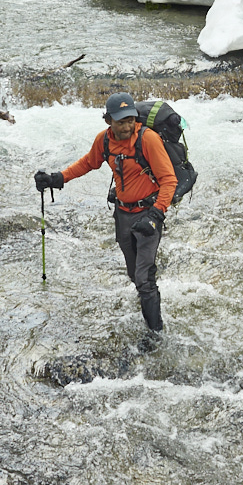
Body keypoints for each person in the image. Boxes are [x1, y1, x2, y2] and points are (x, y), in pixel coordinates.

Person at [34, 92, 176, 332]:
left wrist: (155, 215)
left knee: (144, 279)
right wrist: (58, 178)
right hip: (122, 215)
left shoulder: (148, 139)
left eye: (130, 120)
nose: (127, 126)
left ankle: (156, 334)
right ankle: (147, 296)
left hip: (148, 214)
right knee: (134, 274)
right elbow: (89, 163)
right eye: (121, 122)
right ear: (109, 120)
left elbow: (169, 180)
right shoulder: (105, 141)